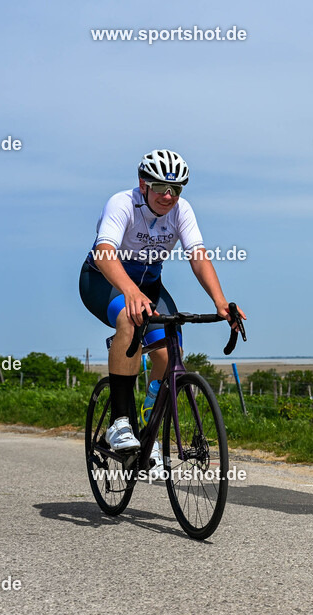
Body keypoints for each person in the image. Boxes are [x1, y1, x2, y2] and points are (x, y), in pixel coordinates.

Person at [79, 149, 244, 473]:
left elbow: (198, 256)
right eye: (161, 187)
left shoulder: (182, 211)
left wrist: (220, 301)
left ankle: (148, 432)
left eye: (176, 189)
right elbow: (104, 253)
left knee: (170, 352)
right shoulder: (121, 203)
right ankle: (119, 424)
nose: (168, 196)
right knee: (130, 316)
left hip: (150, 285)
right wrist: (130, 291)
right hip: (103, 281)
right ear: (144, 184)